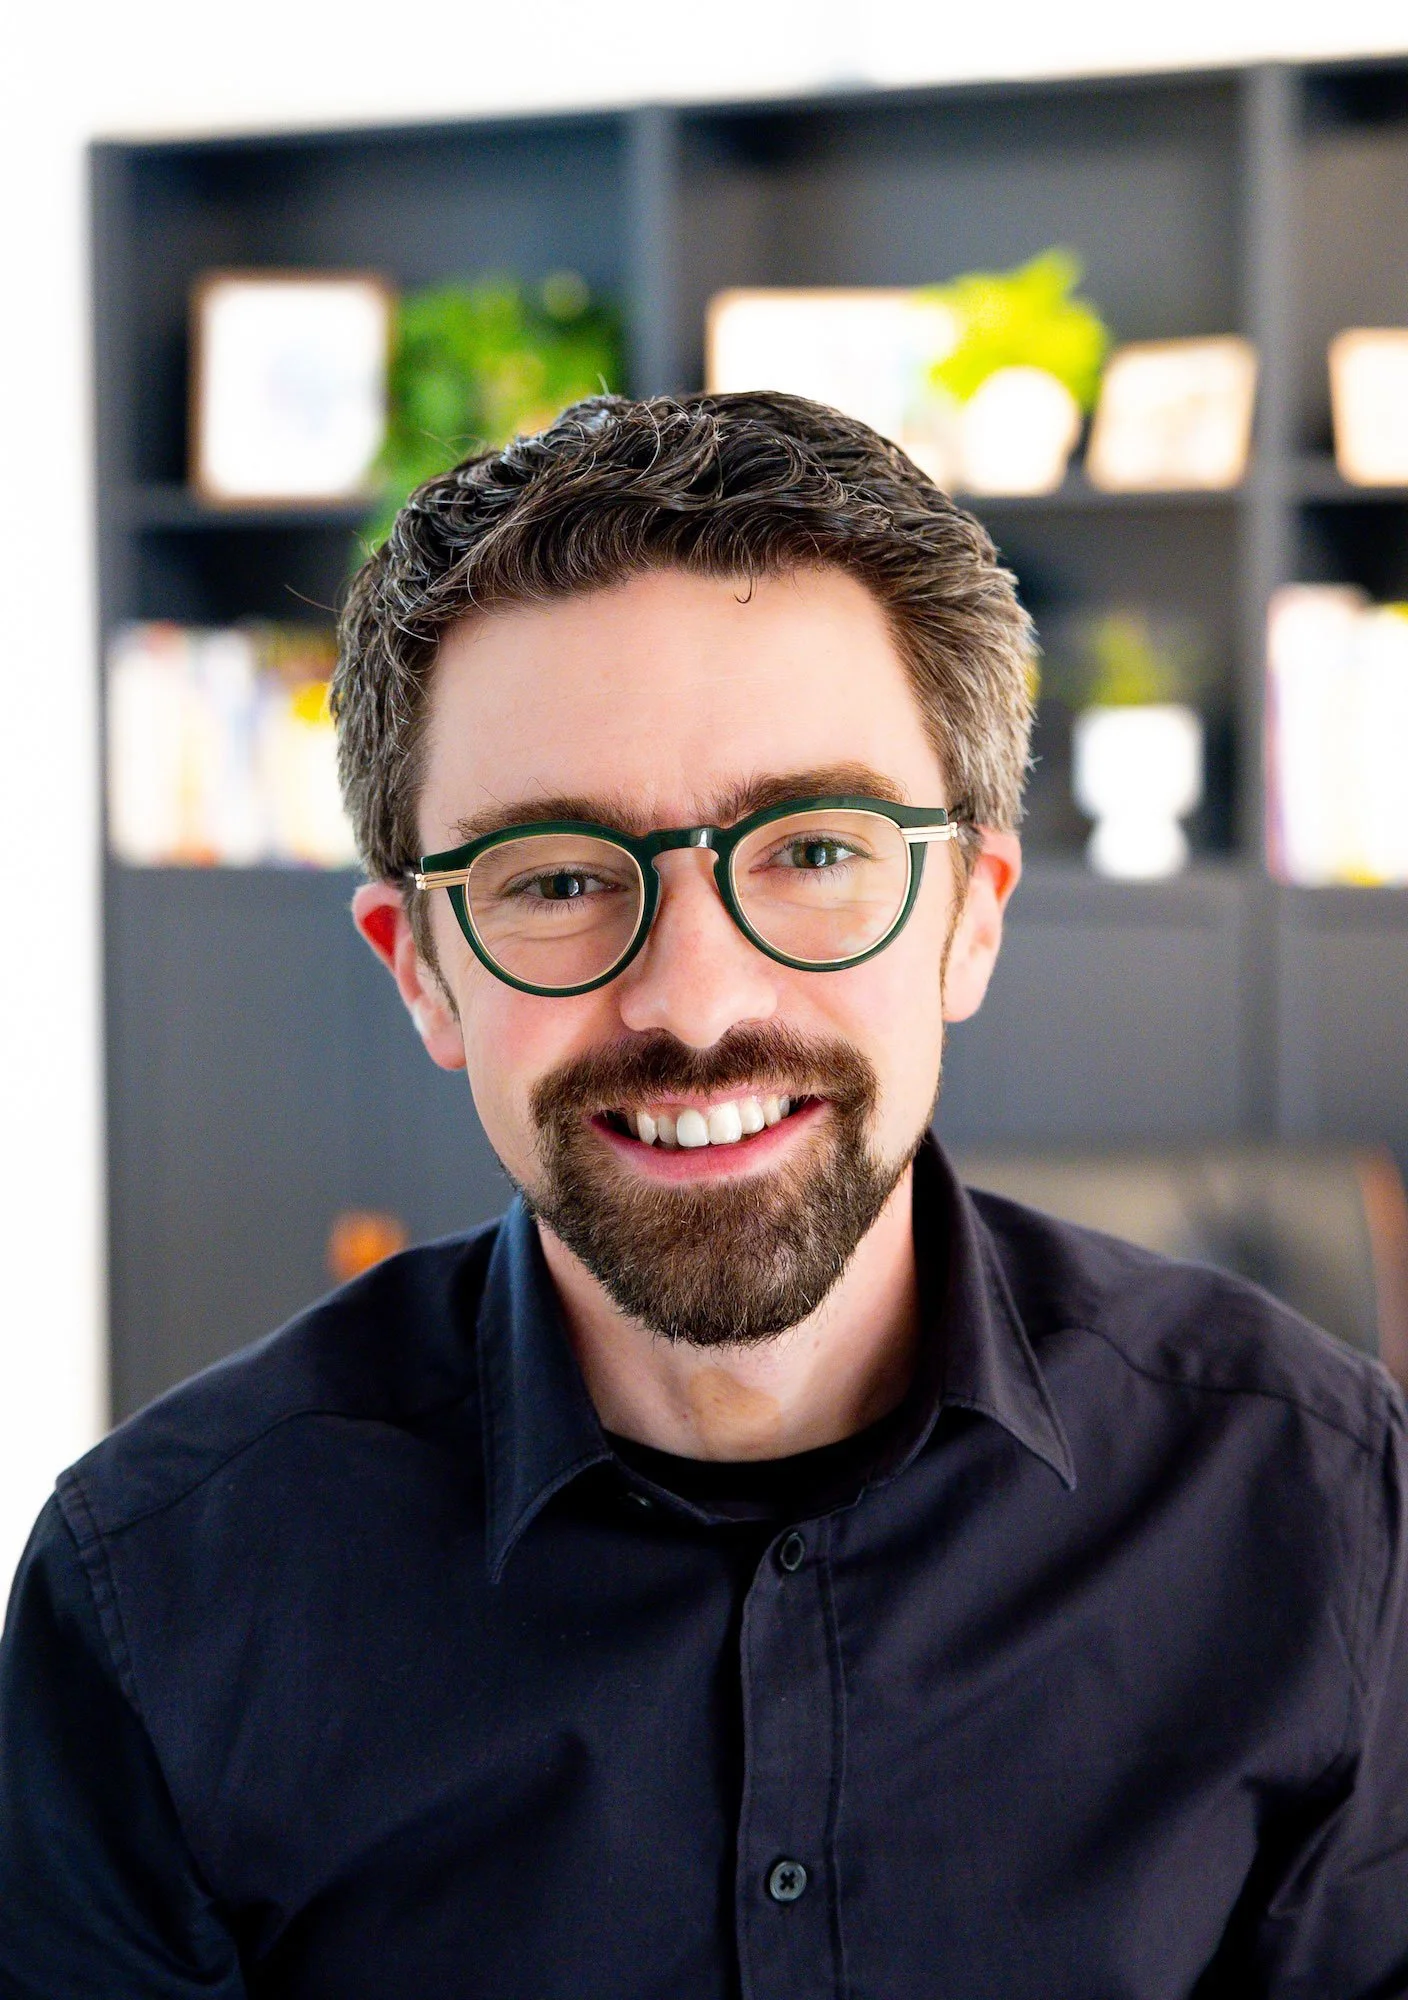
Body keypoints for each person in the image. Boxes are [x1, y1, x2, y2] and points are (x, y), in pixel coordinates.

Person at [1, 393, 1405, 1998]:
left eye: (813, 850)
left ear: (970, 915)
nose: (691, 998)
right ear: (423, 975)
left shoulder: (1320, 1509)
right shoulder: (155, 1600)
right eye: (555, 877)